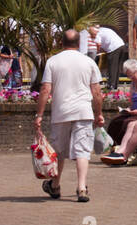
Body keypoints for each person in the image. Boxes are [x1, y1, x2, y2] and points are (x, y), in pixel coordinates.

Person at [34, 29, 104, 203]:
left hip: (61, 112)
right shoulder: (88, 62)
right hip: (83, 112)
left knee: (59, 151)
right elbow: (96, 92)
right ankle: (81, 188)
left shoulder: (53, 61)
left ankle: (56, 185)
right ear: (79, 43)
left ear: (61, 42)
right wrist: (99, 113)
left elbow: (45, 89)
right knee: (82, 151)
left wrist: (39, 114)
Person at [81, 23, 126, 88]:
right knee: (117, 67)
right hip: (121, 45)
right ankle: (115, 85)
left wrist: (98, 52)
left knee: (112, 67)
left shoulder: (98, 34)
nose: (92, 36)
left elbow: (98, 45)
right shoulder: (104, 30)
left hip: (113, 48)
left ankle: (111, 85)